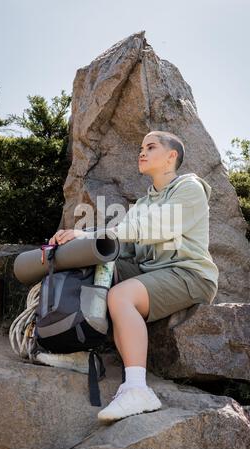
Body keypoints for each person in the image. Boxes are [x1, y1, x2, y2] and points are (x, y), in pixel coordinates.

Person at [49, 130, 219, 423]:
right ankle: (76, 349)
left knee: (120, 295)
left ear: (171, 156)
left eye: (150, 147)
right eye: (141, 147)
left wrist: (89, 234)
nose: (142, 152)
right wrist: (78, 246)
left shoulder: (190, 188)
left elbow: (158, 228)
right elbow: (122, 250)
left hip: (188, 274)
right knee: (92, 267)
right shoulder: (141, 204)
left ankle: (138, 389)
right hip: (149, 273)